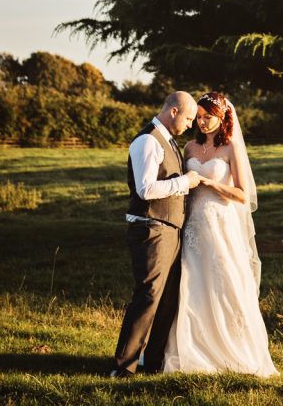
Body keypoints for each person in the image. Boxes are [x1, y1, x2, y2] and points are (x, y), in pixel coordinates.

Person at [163, 90, 278, 377]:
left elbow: (243, 194)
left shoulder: (230, 149)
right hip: (193, 226)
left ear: (222, 117)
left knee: (223, 282)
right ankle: (193, 347)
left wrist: (210, 184)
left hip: (221, 224)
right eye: (198, 117)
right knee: (193, 283)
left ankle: (233, 350)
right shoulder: (189, 147)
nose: (201, 123)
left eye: (207, 117)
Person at [111, 91, 202, 378]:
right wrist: (184, 182)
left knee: (167, 299)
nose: (191, 124)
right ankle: (123, 366)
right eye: (188, 118)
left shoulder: (169, 141)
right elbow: (146, 189)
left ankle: (152, 362)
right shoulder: (148, 140)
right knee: (148, 296)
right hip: (151, 229)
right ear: (173, 111)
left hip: (169, 229)